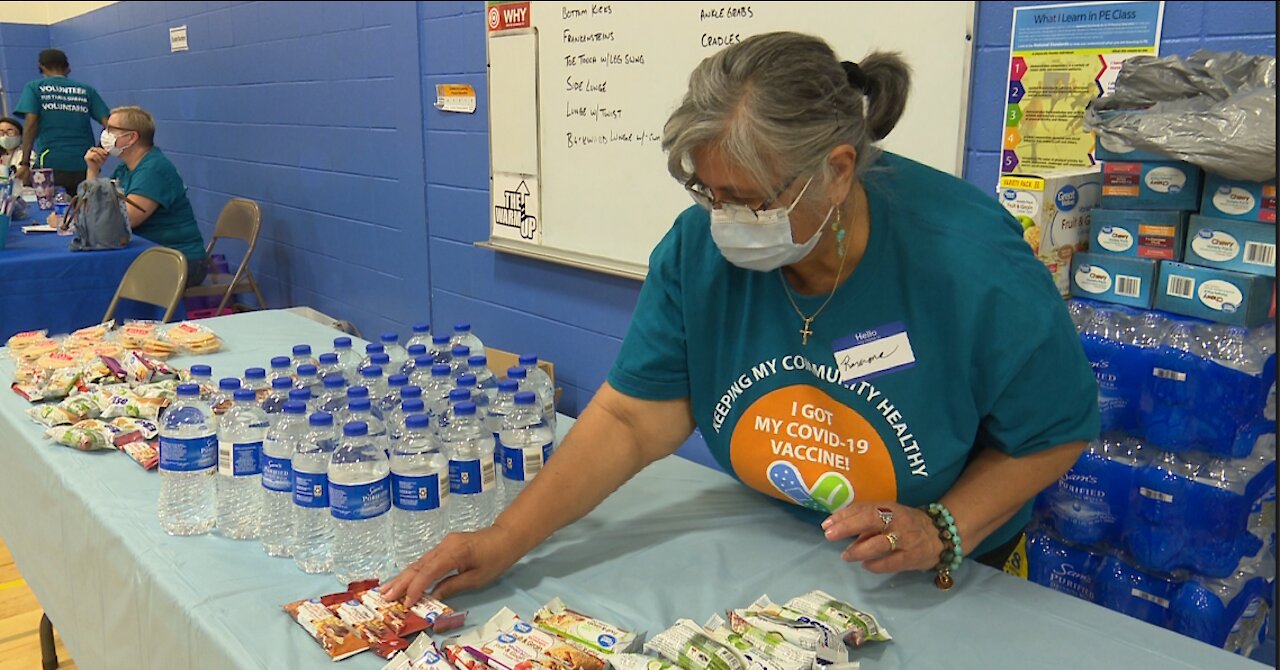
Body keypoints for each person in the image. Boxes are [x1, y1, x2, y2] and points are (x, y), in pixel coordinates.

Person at [384, 32, 1099, 603]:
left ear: (839, 168)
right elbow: (635, 418)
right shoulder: (698, 250)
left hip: (942, 570)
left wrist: (943, 529)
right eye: (708, 193)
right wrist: (506, 539)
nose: (729, 222)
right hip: (783, 547)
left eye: (753, 200)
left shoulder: (971, 264)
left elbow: (1054, 433)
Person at [85, 106, 208, 286]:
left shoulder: (153, 170)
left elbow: (124, 221)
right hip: (147, 254)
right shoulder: (125, 168)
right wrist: (93, 170)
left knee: (96, 279)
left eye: (111, 129)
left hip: (180, 261)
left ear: (132, 137)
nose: (105, 134)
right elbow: (94, 207)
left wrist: (81, 219)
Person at [14, 49, 110, 194]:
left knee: (53, 212)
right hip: (84, 164)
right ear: (68, 68)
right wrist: (99, 150)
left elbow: (31, 122)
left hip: (50, 164)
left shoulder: (34, 88)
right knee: (86, 210)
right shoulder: (86, 90)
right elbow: (111, 125)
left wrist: (25, 163)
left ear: (41, 67)